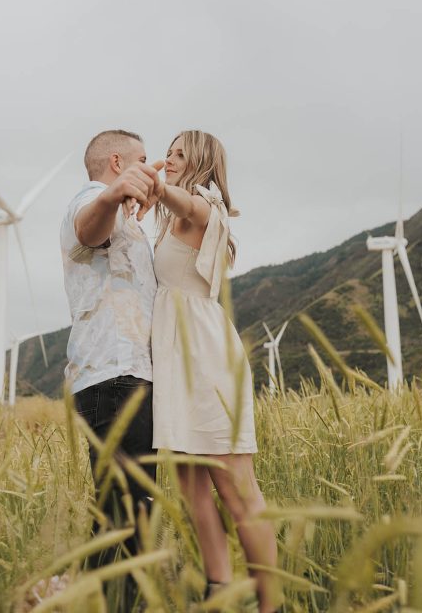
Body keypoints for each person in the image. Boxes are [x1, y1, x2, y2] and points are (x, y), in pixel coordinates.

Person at [139, 130, 280, 613]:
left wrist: (157, 187)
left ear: (199, 163)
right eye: (169, 151)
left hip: (204, 355)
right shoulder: (168, 220)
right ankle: (220, 594)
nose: (169, 158)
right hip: (175, 358)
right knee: (191, 486)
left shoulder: (203, 206)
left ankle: (271, 603)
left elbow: (187, 206)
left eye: (180, 154)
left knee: (236, 488)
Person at [59, 129, 162, 612]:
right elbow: (88, 229)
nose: (152, 165)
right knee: (127, 512)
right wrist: (117, 192)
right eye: (143, 158)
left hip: (129, 376)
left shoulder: (126, 215)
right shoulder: (92, 201)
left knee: (126, 510)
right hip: (113, 377)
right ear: (116, 162)